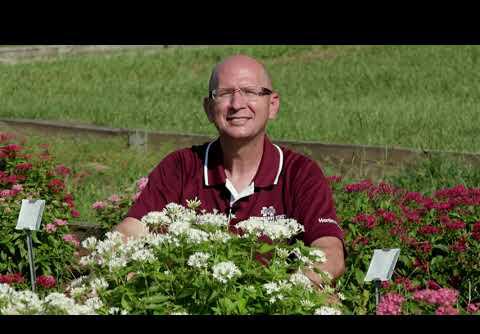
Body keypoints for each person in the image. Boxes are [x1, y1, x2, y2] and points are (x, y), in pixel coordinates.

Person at [115, 54, 345, 284]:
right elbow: (130, 231)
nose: (237, 104)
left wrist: (290, 291)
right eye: (224, 93)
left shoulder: (299, 173)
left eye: (250, 91)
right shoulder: (180, 167)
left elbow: (329, 251)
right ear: (208, 108)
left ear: (272, 104)